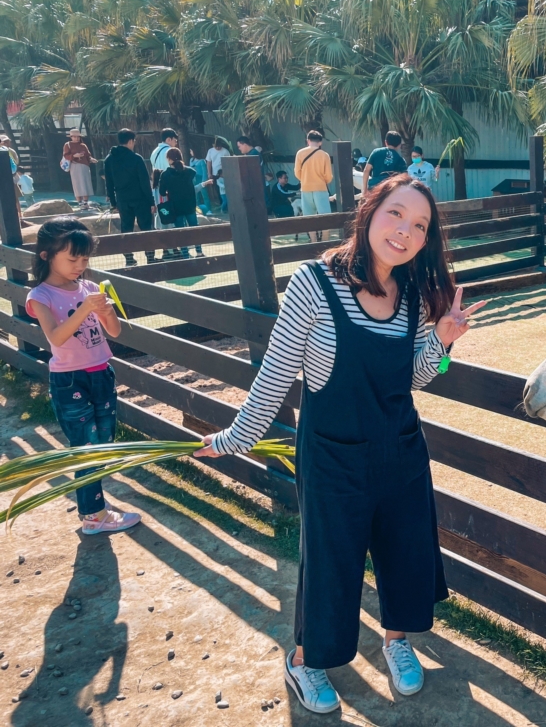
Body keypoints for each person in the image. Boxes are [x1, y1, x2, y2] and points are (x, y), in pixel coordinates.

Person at [195, 174, 486, 713]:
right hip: (332, 458)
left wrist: (443, 342)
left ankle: (397, 643)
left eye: (419, 225)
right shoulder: (314, 283)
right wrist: (234, 438)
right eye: (396, 214)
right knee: (331, 564)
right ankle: (305, 660)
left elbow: (413, 377)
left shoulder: (411, 295)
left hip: (400, 452)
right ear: (370, 210)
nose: (405, 231)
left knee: (405, 553)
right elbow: (276, 376)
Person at [25, 218, 141, 535]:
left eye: (85, 259)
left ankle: (95, 509)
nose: (80, 265)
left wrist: (103, 311)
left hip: (102, 371)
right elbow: (57, 338)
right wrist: (84, 309)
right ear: (47, 255)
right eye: (72, 258)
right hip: (70, 379)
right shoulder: (40, 296)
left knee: (103, 443)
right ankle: (93, 515)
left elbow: (114, 331)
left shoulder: (90, 288)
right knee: (86, 447)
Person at [104, 129, 158, 266]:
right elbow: (144, 182)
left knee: (126, 228)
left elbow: (108, 183)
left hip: (122, 199)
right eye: (133, 141)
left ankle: (129, 258)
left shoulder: (109, 159)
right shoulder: (136, 158)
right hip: (140, 199)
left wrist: (113, 202)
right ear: (130, 141)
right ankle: (150, 257)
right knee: (146, 228)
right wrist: (151, 201)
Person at [158, 147, 208, 259]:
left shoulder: (165, 175)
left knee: (180, 231)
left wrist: (169, 190)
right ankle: (199, 251)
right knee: (194, 228)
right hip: (190, 205)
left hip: (176, 207)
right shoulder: (190, 172)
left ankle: (185, 254)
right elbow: (192, 177)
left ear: (169, 159)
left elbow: (162, 192)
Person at [294, 130, 333, 220]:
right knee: (325, 217)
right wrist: (323, 181)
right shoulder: (324, 155)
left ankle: (312, 235)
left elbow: (297, 172)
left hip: (305, 188)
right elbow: (328, 176)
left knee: (309, 218)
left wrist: (304, 179)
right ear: (320, 142)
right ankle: (325, 234)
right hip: (320, 188)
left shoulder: (300, 153)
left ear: (308, 141)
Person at [362, 131, 407, 197]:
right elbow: (404, 177)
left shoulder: (376, 152)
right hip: (390, 189)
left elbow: (366, 170)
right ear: (399, 145)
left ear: (386, 142)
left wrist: (364, 189)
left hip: (374, 188)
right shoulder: (400, 159)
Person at [63, 129, 98, 209]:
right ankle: (80, 202)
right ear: (71, 137)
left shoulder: (83, 145)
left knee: (86, 183)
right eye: (74, 137)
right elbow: (66, 155)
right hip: (75, 165)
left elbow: (88, 155)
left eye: (78, 137)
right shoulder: (67, 145)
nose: (76, 138)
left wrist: (91, 159)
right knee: (77, 184)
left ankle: (85, 202)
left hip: (85, 166)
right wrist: (74, 156)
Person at [205, 137, 231, 213]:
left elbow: (229, 162)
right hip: (214, 174)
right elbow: (209, 162)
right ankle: (222, 205)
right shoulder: (210, 151)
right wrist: (209, 173)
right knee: (218, 190)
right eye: (216, 146)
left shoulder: (225, 151)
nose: (218, 147)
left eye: (219, 146)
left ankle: (226, 206)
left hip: (224, 173)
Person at [189, 147, 211, 213]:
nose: (190, 152)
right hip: (194, 179)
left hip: (201, 178)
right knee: (196, 196)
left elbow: (204, 171)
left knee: (204, 195)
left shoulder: (202, 161)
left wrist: (204, 181)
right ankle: (198, 210)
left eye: (191, 151)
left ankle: (208, 210)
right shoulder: (191, 160)